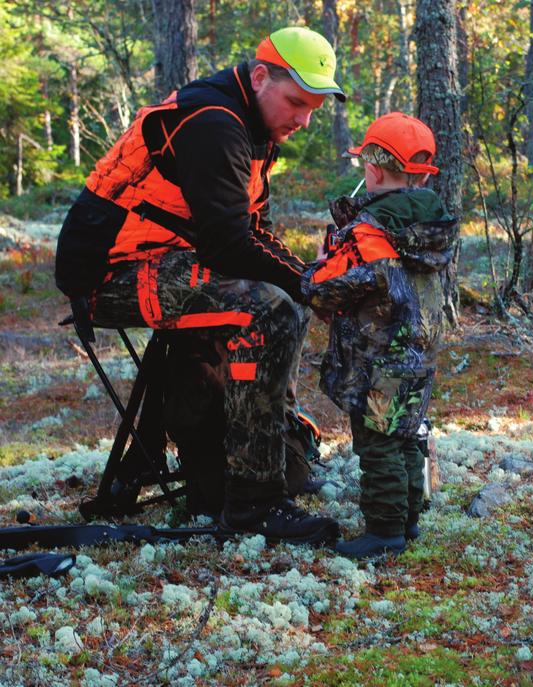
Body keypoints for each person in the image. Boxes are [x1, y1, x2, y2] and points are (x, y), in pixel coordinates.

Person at [54, 27, 343, 544]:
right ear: (260, 78)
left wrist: (308, 280)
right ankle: (255, 505)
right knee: (270, 310)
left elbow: (254, 231)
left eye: (314, 108)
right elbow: (227, 247)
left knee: (288, 303)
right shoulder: (215, 124)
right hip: (108, 272)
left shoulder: (252, 126)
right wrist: (306, 285)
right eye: (297, 102)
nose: (303, 120)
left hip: (162, 258)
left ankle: (271, 457)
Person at [302, 113, 459, 558]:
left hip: (379, 355)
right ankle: (407, 520)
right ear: (423, 172)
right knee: (405, 434)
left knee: (377, 444)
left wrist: (318, 262)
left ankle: (385, 531)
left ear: (372, 170)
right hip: (419, 352)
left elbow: (323, 291)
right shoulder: (433, 226)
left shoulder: (369, 232)